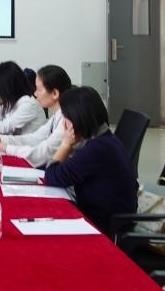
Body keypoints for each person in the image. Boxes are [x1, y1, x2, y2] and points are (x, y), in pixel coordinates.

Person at [42, 86, 138, 235]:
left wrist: (65, 144)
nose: (63, 124)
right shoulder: (106, 139)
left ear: (76, 119)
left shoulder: (97, 149)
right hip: (108, 217)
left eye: (66, 118)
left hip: (104, 226)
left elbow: (52, 176)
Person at [0, 64, 72, 168]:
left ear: (55, 93)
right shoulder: (58, 114)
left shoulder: (67, 120)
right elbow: (34, 138)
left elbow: (40, 153)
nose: (35, 93)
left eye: (39, 89)